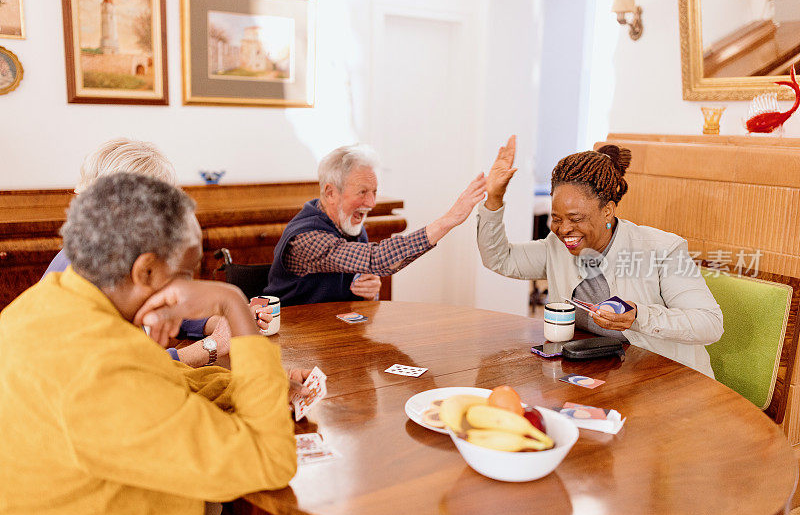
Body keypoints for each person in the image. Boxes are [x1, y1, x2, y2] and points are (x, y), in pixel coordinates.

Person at [0, 173, 301, 515]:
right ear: (145, 271)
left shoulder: (50, 300)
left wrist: (267, 388)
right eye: (189, 274)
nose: (196, 289)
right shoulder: (101, 368)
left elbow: (158, 378)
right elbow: (271, 460)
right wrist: (233, 303)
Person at [477, 136, 723, 377]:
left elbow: (709, 324)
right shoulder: (557, 246)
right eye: (557, 218)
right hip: (603, 374)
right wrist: (494, 199)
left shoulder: (662, 249)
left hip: (668, 379)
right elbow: (500, 258)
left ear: (607, 211)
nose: (563, 230)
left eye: (575, 219)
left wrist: (638, 316)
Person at [41, 138, 229, 368]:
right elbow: (126, 368)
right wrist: (212, 346)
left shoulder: (105, 253)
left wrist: (215, 322)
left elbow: (155, 302)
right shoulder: (83, 273)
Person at [264, 144, 487, 307]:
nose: (371, 203)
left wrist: (370, 293)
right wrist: (448, 221)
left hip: (333, 337)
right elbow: (376, 259)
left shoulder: (350, 227)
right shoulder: (306, 238)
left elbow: (366, 282)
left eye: (374, 192)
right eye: (362, 192)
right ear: (331, 193)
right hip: (293, 345)